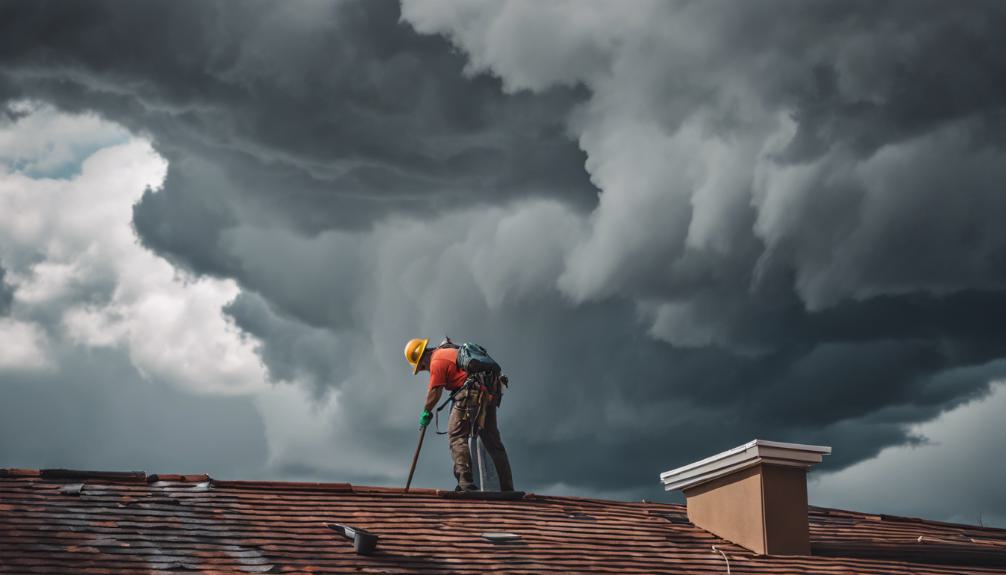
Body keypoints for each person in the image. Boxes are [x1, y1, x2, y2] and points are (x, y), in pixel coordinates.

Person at [404, 337, 514, 492]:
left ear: (422, 357)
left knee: (456, 435)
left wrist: (426, 411)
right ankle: (507, 487)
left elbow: (435, 392)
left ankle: (465, 483)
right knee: (492, 441)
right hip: (489, 391)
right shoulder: (449, 353)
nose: (424, 370)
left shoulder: (437, 360)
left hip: (472, 392)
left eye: (421, 367)